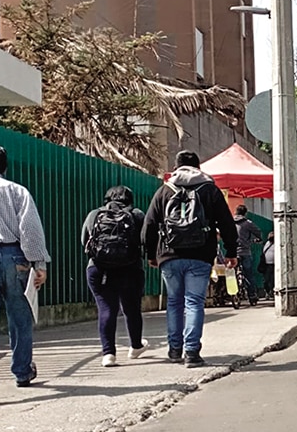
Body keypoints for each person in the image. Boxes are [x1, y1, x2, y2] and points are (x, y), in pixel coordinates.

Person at [0, 145, 49, 405]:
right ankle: (22, 372)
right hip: (16, 258)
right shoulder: (17, 191)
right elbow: (31, 230)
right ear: (4, 167)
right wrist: (39, 264)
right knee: (20, 318)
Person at [143, 150, 237, 368]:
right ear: (198, 167)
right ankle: (192, 353)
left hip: (169, 255)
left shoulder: (164, 190)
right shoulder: (210, 190)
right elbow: (226, 223)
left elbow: (149, 225)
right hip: (200, 255)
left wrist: (151, 255)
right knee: (194, 302)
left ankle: (175, 349)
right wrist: (231, 252)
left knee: (174, 302)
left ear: (175, 168)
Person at [82, 186, 148, 368]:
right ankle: (136, 346)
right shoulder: (136, 215)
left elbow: (84, 241)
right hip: (130, 268)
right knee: (132, 308)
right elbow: (145, 240)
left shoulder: (95, 215)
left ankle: (108, 354)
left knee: (106, 309)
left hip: (99, 269)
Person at [233, 205, 262, 303]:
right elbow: (258, 231)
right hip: (245, 251)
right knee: (249, 274)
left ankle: (233, 294)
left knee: (232, 274)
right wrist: (258, 239)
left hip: (233, 252)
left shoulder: (230, 222)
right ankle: (252, 295)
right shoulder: (247, 223)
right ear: (245, 213)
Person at [260, 232, 275, 298]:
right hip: (267, 265)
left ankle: (271, 292)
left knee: (272, 280)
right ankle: (268, 292)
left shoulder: (276, 244)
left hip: (273, 265)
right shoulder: (267, 243)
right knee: (266, 280)